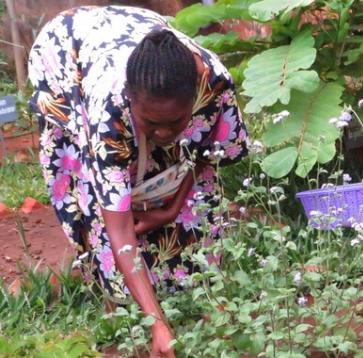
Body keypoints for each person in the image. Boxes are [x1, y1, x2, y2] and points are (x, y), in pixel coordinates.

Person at [28, 6, 248, 357]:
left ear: (194, 100)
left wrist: (169, 208)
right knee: (95, 195)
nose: (163, 132)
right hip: (66, 55)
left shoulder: (214, 83)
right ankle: (120, 299)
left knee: (189, 198)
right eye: (151, 121)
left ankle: (183, 288)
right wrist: (157, 323)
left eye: (175, 121)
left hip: (133, 35)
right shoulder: (108, 109)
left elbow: (211, 152)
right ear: (130, 100)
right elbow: (119, 229)